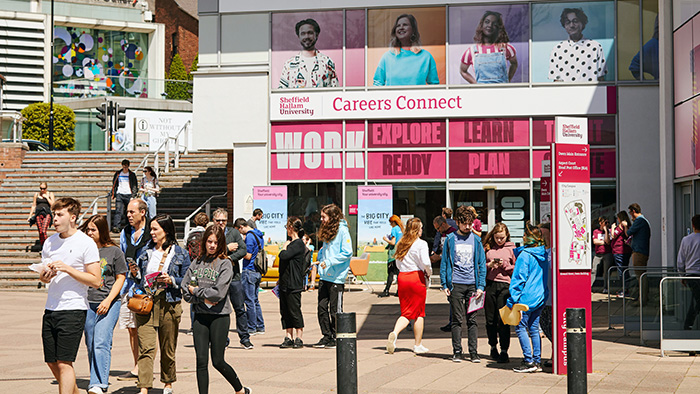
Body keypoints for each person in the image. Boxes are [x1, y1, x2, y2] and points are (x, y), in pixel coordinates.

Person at [38, 197, 101, 394]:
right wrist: (45, 275)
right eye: (53, 214)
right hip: (51, 307)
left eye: (59, 215)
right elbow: (43, 277)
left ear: (72, 217)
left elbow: (96, 280)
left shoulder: (85, 243)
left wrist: (67, 269)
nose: (54, 219)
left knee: (65, 362)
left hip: (73, 308)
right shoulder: (50, 242)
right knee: (51, 361)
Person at [182, 226, 251, 394]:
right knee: (201, 361)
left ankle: (240, 389)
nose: (212, 245)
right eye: (209, 241)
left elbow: (218, 293)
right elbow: (185, 288)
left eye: (216, 242)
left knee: (218, 361)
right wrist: (201, 297)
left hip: (219, 316)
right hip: (200, 315)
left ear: (221, 244)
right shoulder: (197, 262)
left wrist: (196, 291)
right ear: (204, 242)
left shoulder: (225, 263)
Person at [128, 214, 191, 394]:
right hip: (146, 303)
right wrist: (135, 273)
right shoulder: (145, 251)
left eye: (156, 229)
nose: (152, 233)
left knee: (167, 347)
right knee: (146, 347)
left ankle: (168, 382)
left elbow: (187, 280)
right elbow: (140, 280)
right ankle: (144, 387)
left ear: (166, 231)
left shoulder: (180, 254)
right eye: (151, 229)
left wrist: (171, 280)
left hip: (169, 303)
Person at [80, 214, 127, 394]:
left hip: (109, 302)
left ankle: (99, 383)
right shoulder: (84, 251)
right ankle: (96, 379)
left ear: (102, 231)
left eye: (93, 229)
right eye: (87, 230)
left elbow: (120, 278)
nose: (89, 233)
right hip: (88, 302)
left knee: (101, 341)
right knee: (91, 343)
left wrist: (108, 300)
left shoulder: (114, 252)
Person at [440, 205, 487, 363]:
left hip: (473, 285)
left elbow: (481, 264)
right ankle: (457, 351)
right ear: (458, 223)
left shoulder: (477, 240)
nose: (468, 227)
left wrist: (480, 286)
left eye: (470, 223)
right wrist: (444, 284)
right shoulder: (450, 239)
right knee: (457, 319)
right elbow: (445, 263)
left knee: (472, 320)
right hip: (456, 284)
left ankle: (473, 352)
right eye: (464, 223)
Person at [117, 199, 152, 381]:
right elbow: (122, 255)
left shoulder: (152, 231)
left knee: (145, 329)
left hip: (145, 287)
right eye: (128, 212)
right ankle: (137, 365)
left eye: (132, 212)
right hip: (129, 287)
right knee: (132, 328)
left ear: (143, 212)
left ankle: (146, 367)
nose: (129, 215)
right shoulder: (126, 232)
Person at [386, 218, 432, 355]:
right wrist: (428, 273)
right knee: (419, 312)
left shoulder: (401, 243)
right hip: (416, 277)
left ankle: (395, 332)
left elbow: (398, 263)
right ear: (417, 230)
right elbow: (426, 262)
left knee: (406, 311)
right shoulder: (421, 244)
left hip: (403, 277)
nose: (422, 231)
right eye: (421, 228)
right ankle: (417, 344)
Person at [508, 221, 549, 373]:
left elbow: (518, 279)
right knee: (533, 328)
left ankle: (528, 361)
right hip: (540, 297)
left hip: (525, 298)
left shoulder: (525, 255)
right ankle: (536, 361)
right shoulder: (543, 253)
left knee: (520, 327)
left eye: (525, 235)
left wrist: (512, 300)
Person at [313, 204, 353, 349]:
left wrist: (329, 261)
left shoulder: (342, 231)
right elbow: (325, 250)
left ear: (332, 217)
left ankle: (337, 337)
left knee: (335, 309)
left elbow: (347, 252)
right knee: (321, 308)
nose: (321, 219)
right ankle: (326, 336)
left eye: (324, 217)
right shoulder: (327, 231)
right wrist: (320, 261)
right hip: (325, 277)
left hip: (336, 277)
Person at [214, 209, 253, 350]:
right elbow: (209, 251)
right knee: (219, 310)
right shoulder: (211, 235)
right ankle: (222, 339)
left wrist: (230, 258)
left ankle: (245, 338)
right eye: (218, 220)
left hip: (234, 277)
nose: (221, 223)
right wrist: (227, 248)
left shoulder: (234, 233)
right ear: (214, 221)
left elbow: (243, 250)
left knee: (239, 308)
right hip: (217, 278)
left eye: (223, 220)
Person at [373, 14, 439, 86]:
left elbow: (434, 85)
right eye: (398, 26)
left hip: (417, 97)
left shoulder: (426, 57)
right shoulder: (387, 57)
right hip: (393, 97)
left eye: (405, 25)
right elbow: (377, 84)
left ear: (413, 30)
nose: (401, 27)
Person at [482, 223, 516, 363]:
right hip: (490, 284)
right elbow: (480, 267)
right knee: (490, 319)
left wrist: (505, 265)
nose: (499, 241)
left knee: (503, 319)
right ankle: (492, 346)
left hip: (505, 285)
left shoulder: (512, 249)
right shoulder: (488, 248)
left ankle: (504, 350)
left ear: (506, 235)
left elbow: (517, 269)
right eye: (497, 238)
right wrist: (489, 265)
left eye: (502, 238)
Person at [548, 8, 607, 82]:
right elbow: (556, 81)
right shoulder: (558, 49)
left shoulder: (595, 47)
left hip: (590, 92)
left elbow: (601, 79)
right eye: (567, 22)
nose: (572, 25)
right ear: (564, 25)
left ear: (582, 23)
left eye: (575, 21)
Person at [277, 217, 310, 348]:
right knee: (285, 311)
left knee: (294, 309)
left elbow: (284, 256)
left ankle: (299, 337)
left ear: (291, 228)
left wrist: (284, 247)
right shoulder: (292, 243)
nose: (286, 230)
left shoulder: (297, 244)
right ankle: (288, 336)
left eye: (287, 227)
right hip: (285, 282)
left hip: (294, 282)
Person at [460, 10, 518, 84]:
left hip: (502, 93)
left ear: (498, 27)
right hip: (482, 94)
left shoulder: (506, 48)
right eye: (487, 22)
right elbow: (462, 70)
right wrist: (475, 84)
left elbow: (514, 64)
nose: (490, 25)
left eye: (494, 24)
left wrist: (507, 80)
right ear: (482, 25)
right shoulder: (472, 51)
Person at [278, 18, 338, 89]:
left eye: (310, 33)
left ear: (317, 35)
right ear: (298, 36)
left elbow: (335, 91)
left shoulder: (327, 62)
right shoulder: (290, 64)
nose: (306, 36)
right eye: (303, 34)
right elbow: (281, 93)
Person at [233, 218, 266, 336]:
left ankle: (251, 327)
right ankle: (260, 325)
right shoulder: (258, 234)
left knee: (249, 300)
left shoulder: (249, 236)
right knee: (255, 300)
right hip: (257, 271)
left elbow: (248, 255)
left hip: (249, 270)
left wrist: (238, 250)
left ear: (241, 227)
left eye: (238, 231)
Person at [431, 215, 457, 332]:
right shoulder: (443, 234)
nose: (438, 231)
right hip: (445, 267)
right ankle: (452, 321)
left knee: (453, 297)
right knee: (450, 297)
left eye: (438, 228)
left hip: (452, 269)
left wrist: (439, 256)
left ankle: (454, 322)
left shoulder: (453, 233)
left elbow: (452, 251)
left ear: (443, 224)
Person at [677, 215, 700, 330]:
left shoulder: (686, 240)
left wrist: (682, 275)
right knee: (696, 301)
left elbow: (681, 260)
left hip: (691, 274)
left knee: (695, 300)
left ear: (693, 225)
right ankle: (688, 326)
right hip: (697, 273)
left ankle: (688, 326)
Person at [626, 203, 651, 302]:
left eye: (630, 212)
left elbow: (628, 233)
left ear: (633, 211)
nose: (630, 215)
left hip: (639, 252)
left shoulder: (640, 221)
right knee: (641, 275)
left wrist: (625, 226)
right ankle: (642, 297)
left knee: (640, 276)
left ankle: (643, 299)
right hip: (641, 250)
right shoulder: (643, 221)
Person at [379, 215, 404, 298]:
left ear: (393, 222)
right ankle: (399, 291)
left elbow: (393, 242)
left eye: (390, 222)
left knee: (390, 273)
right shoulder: (401, 229)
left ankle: (386, 290)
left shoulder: (394, 229)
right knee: (398, 273)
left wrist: (385, 239)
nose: (390, 224)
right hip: (399, 253)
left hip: (393, 254)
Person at [111, 159, 138, 233]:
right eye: (124, 166)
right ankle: (116, 226)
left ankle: (128, 226)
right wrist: (114, 193)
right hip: (120, 194)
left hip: (129, 194)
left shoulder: (131, 174)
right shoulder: (118, 174)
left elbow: (135, 185)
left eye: (126, 167)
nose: (125, 168)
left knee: (128, 211)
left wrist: (133, 195)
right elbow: (114, 184)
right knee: (118, 210)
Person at [629, 16, 659, 80]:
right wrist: (645, 83)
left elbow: (634, 66)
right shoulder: (654, 44)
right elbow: (634, 66)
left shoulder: (653, 44)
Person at [610, 211, 633, 297]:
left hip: (619, 251)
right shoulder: (627, 225)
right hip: (625, 251)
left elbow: (613, 236)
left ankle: (625, 290)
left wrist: (612, 228)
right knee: (624, 269)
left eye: (618, 218)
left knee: (621, 271)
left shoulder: (620, 226)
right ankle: (626, 288)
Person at [28, 181, 55, 248]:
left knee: (43, 231)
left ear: (46, 188)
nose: (42, 190)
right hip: (38, 214)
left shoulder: (50, 194)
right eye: (41, 188)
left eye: (44, 188)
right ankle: (43, 246)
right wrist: (30, 215)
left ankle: (46, 246)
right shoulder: (37, 195)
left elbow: (53, 205)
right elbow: (34, 205)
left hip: (47, 214)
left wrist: (47, 198)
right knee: (40, 232)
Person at [591, 217, 613, 293]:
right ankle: (590, 287)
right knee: (594, 270)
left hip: (607, 253)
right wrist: (604, 242)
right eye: (605, 222)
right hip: (598, 254)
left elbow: (608, 242)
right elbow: (595, 241)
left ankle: (606, 288)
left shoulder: (609, 231)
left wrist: (606, 231)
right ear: (600, 223)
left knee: (606, 271)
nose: (606, 224)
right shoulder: (596, 231)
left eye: (607, 222)